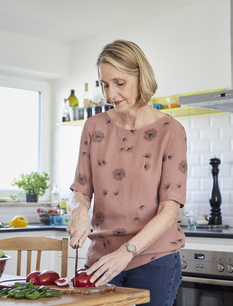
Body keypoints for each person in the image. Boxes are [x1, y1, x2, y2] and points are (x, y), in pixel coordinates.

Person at [66, 39, 187, 306]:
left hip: (154, 259)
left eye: (119, 83)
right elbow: (81, 189)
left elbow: (170, 209)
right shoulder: (94, 127)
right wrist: (78, 210)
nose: (110, 94)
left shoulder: (171, 131)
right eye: (104, 84)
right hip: (101, 260)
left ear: (141, 77)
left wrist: (128, 251)